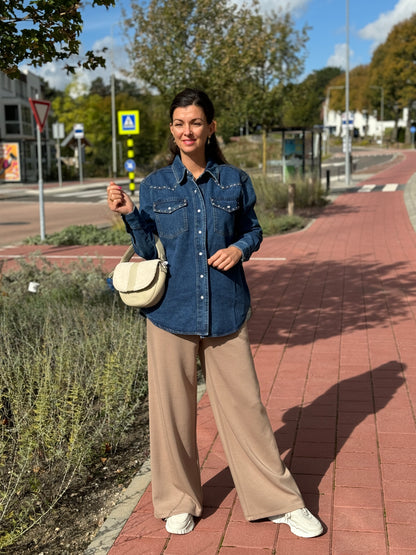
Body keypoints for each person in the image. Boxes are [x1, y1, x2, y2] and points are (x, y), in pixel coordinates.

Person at [107, 88, 323, 538]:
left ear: (211, 127)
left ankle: (279, 501)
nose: (188, 131)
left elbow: (253, 229)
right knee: (172, 413)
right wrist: (131, 214)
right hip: (170, 311)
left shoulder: (234, 181)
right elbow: (149, 250)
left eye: (196, 122)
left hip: (226, 309)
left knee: (246, 408)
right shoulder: (154, 186)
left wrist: (239, 249)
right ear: (172, 129)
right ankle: (178, 499)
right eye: (180, 123)